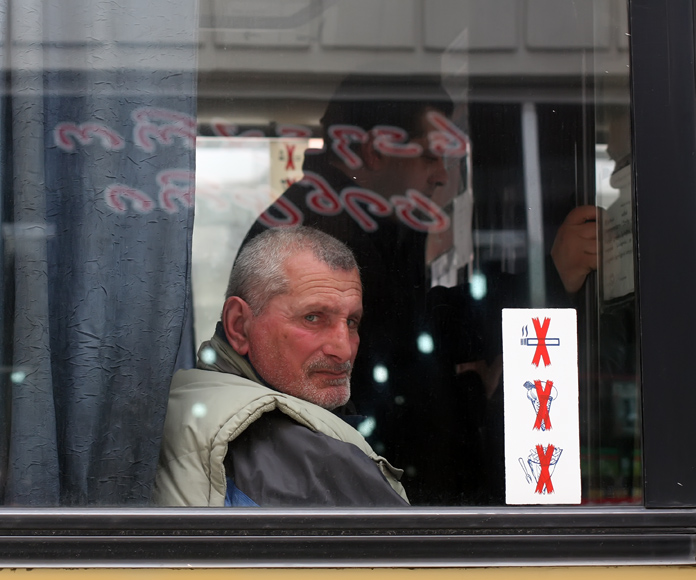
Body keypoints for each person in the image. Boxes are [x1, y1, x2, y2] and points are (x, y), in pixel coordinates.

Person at [240, 78, 503, 505]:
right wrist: (475, 392)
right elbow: (395, 389)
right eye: (429, 154)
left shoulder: (359, 223)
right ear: (375, 151)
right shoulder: (327, 241)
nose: (441, 175)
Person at [153, 226, 409, 507]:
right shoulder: (307, 452)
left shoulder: (188, 394)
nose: (343, 349)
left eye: (351, 322)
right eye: (313, 318)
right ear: (239, 326)